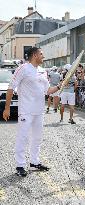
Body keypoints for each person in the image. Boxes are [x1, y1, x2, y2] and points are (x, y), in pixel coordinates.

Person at [3, 47, 62, 177]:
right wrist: (7, 108)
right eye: (42, 54)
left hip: (39, 110)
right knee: (23, 137)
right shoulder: (23, 68)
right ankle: (20, 165)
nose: (43, 57)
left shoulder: (43, 71)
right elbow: (11, 88)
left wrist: (59, 86)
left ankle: (34, 161)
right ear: (35, 55)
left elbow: (47, 91)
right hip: (26, 110)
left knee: (37, 137)